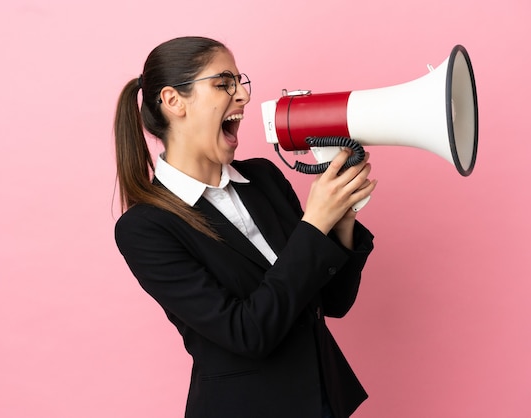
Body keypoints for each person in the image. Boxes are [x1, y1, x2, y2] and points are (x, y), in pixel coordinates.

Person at [113, 36, 378, 418]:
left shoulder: (265, 178)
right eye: (223, 84)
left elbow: (333, 302)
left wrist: (341, 221)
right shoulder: (145, 228)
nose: (243, 97)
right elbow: (247, 333)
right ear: (173, 101)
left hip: (324, 401)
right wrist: (315, 224)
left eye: (240, 82)